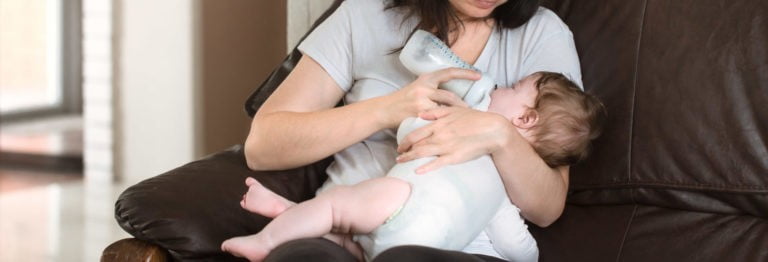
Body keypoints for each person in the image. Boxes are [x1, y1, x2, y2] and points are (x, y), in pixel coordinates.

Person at [243, 0, 584, 260]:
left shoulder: (542, 34)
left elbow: (548, 206)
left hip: (462, 249)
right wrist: (387, 110)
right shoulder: (365, 14)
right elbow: (263, 146)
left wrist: (500, 135)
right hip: (345, 231)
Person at [224, 72, 604, 261]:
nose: (499, 88)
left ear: (525, 119)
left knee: (338, 209)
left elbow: (412, 131)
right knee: (343, 240)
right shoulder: (502, 191)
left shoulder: (489, 151)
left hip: (402, 203)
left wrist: (449, 117)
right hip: (428, 242)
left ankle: (267, 239)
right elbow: (517, 245)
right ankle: (287, 216)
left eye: (513, 87)